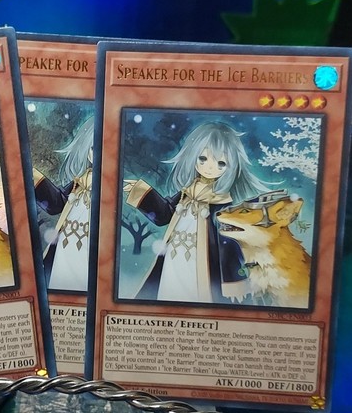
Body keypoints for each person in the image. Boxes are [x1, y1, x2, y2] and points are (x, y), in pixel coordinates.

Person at [124, 120, 269, 303]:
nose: (210, 167)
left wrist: (234, 280)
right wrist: (141, 192)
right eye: (203, 159)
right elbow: (163, 215)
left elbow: (228, 244)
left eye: (221, 163)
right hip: (173, 260)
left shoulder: (222, 204)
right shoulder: (187, 192)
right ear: (192, 156)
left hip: (202, 267)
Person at [33, 117, 94, 293]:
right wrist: (32, 177)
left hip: (92, 250)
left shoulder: (110, 186)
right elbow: (55, 204)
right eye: (94, 148)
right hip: (66, 246)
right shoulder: (80, 181)